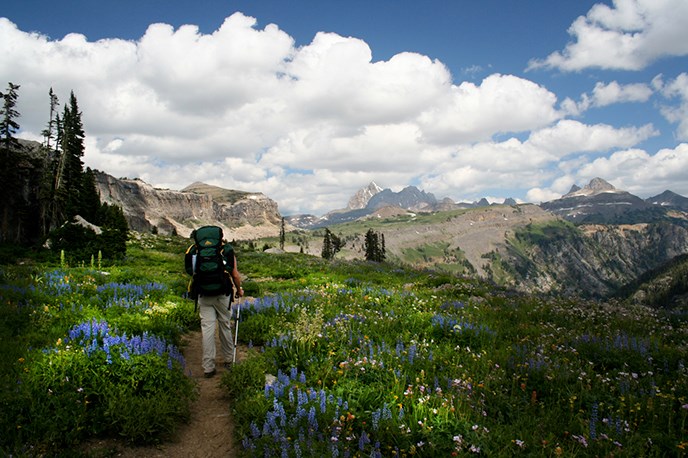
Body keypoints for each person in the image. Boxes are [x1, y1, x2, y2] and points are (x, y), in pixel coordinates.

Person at [197, 241, 244, 378]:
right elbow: (234, 274)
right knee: (224, 325)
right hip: (223, 294)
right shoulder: (226, 250)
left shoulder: (197, 249)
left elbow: (192, 271)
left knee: (207, 329)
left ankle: (208, 367)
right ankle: (229, 360)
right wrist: (239, 289)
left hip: (204, 294)